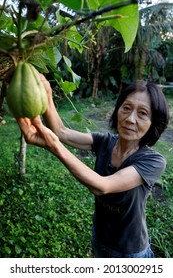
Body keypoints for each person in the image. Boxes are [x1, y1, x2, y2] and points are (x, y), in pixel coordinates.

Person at [16, 77, 169, 258]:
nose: (130, 119)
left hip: (129, 252)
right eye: (126, 108)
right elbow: (61, 132)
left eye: (143, 113)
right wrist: (47, 95)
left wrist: (55, 147)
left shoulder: (153, 161)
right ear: (118, 110)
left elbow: (102, 186)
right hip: (100, 236)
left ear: (154, 123)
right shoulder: (105, 141)